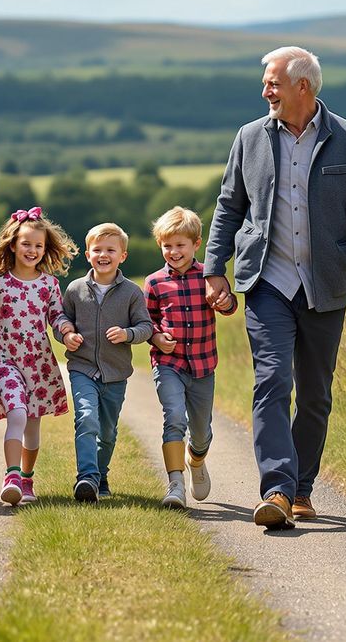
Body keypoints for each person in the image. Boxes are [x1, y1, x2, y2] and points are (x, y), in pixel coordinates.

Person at [204, 46, 346, 529]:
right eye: (267, 83)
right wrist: (214, 269)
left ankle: (302, 489)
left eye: (273, 83)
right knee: (272, 381)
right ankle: (276, 488)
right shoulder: (249, 139)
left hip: (325, 286)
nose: (265, 90)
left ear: (302, 87)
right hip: (266, 281)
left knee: (314, 394)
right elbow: (229, 205)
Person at [0, 206, 77, 506]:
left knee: (33, 425)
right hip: (6, 359)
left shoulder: (48, 285)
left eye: (38, 245)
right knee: (16, 413)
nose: (32, 250)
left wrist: (67, 333)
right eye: (26, 243)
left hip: (38, 363)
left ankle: (27, 478)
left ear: (45, 248)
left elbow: (57, 316)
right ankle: (11, 476)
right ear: (13, 244)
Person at [143, 206, 235, 509]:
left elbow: (229, 306)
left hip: (203, 365)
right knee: (174, 418)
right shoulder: (154, 282)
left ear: (196, 244)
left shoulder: (209, 275)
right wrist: (156, 337)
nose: (173, 251)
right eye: (167, 245)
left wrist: (226, 300)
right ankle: (175, 485)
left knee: (201, 432)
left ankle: (196, 460)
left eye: (180, 244)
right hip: (169, 364)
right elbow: (147, 321)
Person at [54, 222, 154, 503]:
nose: (103, 255)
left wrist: (127, 334)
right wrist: (67, 333)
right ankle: (86, 477)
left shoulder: (132, 293)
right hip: (82, 367)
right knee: (86, 418)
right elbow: (62, 319)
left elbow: (146, 327)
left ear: (123, 255)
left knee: (107, 432)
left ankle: (101, 473)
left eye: (111, 249)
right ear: (88, 255)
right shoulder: (75, 289)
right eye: (97, 249)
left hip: (115, 372)